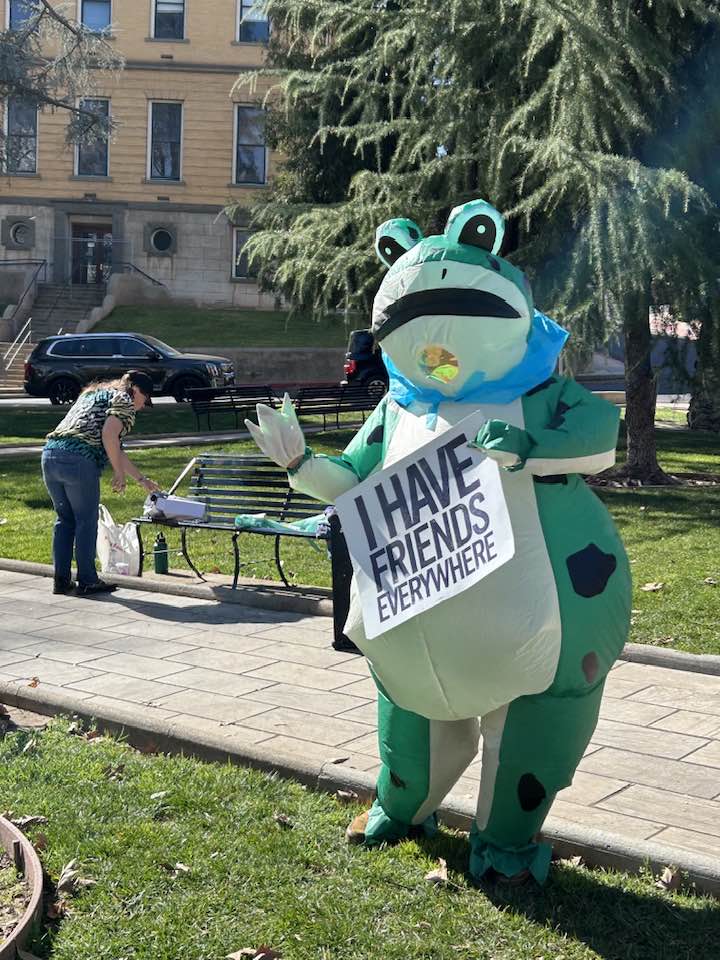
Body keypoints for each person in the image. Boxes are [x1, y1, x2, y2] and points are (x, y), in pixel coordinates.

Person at [41, 370, 161, 596]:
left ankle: (61, 580)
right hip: (78, 461)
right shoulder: (124, 399)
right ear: (136, 391)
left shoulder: (92, 395)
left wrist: (141, 480)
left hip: (50, 457)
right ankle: (87, 580)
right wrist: (118, 474)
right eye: (145, 400)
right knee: (86, 521)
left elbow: (116, 448)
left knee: (65, 520)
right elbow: (109, 436)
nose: (143, 406)